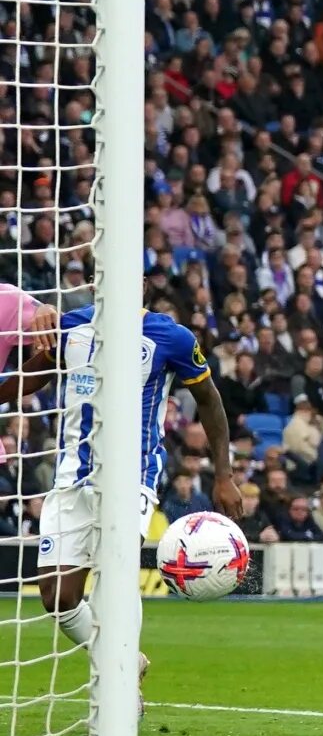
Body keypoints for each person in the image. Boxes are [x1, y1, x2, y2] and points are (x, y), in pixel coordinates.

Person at [0, 301, 242, 707]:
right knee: (57, 599)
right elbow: (33, 377)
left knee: (116, 575)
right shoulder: (72, 325)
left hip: (133, 478)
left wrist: (223, 474)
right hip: (72, 479)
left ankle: (121, 686)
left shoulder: (172, 338)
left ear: (142, 284)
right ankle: (128, 660)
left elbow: (210, 401)